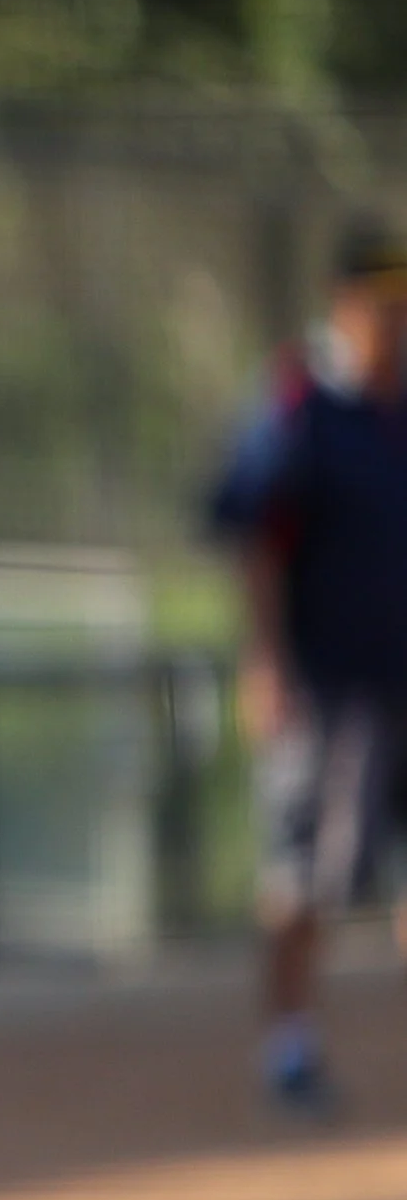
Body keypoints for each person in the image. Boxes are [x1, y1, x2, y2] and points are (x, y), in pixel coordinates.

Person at [211, 214, 407, 1117]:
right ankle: (290, 1047)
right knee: (305, 874)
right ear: (346, 302)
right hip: (326, 681)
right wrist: (265, 662)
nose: (398, 321)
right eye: (384, 305)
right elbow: (255, 537)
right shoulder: (299, 403)